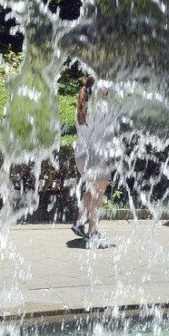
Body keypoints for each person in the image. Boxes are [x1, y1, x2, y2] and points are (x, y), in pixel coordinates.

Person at [71, 75, 117, 248]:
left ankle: (79, 222)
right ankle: (92, 232)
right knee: (98, 194)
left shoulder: (82, 106)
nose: (106, 90)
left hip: (82, 155)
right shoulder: (100, 107)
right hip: (95, 155)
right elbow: (109, 134)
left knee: (92, 190)